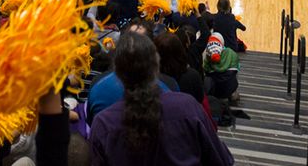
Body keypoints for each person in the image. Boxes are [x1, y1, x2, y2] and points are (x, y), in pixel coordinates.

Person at [89, 32, 234, 165]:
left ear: (117, 74)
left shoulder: (103, 124)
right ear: (156, 67)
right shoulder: (187, 107)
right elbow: (222, 160)